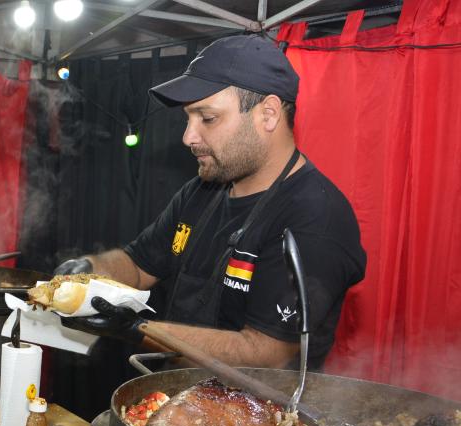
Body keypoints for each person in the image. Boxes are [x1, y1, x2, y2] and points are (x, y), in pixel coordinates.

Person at [58, 35, 366, 372]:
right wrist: (89, 271)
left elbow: (266, 353)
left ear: (268, 114)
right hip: (177, 398)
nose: (188, 137)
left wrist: (138, 329)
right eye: (187, 119)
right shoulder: (201, 192)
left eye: (207, 118)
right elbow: (139, 264)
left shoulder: (315, 217)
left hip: (261, 418)